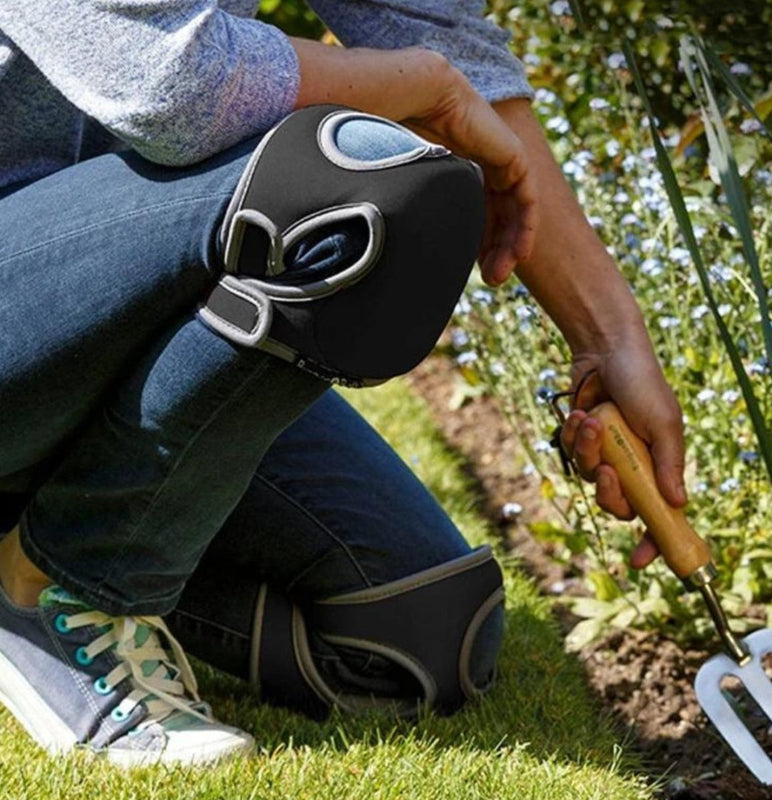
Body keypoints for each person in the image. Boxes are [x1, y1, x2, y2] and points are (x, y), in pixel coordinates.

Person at [0, 0, 686, 767]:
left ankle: (38, 524)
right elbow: (170, 82)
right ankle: (63, 587)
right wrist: (425, 86)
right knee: (357, 185)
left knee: (421, 638)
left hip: (127, 286)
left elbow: (444, 41)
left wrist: (613, 341)